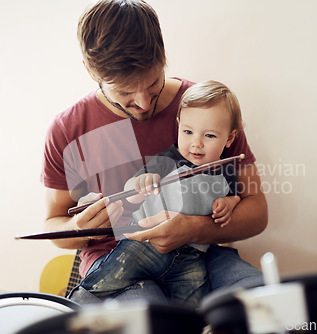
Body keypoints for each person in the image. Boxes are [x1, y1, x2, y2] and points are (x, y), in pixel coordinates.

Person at [41, 0, 268, 305]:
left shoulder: (205, 110)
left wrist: (194, 228)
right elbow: (53, 224)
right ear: (89, 70)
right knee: (153, 319)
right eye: (124, 93)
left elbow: (257, 212)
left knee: (263, 303)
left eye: (152, 85)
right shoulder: (67, 130)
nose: (144, 104)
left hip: (203, 251)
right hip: (117, 256)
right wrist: (78, 227)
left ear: (163, 55)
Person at [78, 81, 244, 308]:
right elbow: (130, 191)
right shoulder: (168, 160)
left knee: (193, 307)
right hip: (145, 244)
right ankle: (71, 309)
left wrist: (229, 203)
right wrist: (141, 183)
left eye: (210, 136)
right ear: (178, 126)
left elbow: (235, 196)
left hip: (192, 257)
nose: (196, 143)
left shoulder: (227, 170)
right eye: (187, 132)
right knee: (108, 276)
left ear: (230, 138)